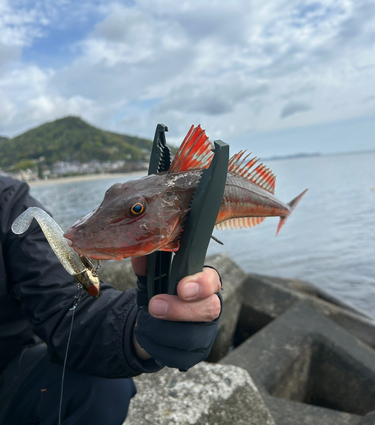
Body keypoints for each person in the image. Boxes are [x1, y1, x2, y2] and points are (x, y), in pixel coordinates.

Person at [0, 176, 222, 424]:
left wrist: (139, 327)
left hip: (7, 370)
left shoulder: (6, 200)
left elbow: (63, 305)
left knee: (100, 389)